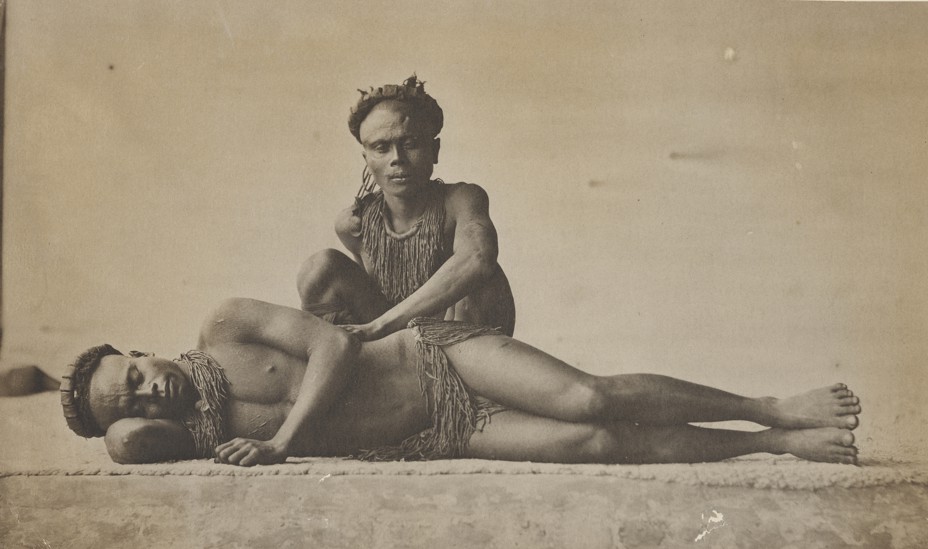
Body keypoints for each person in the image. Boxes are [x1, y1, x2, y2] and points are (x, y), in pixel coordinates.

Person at [61, 298, 861, 467]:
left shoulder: (224, 326)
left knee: (590, 396)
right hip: (433, 432)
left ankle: (768, 406)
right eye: (129, 401)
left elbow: (336, 344)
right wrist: (97, 410)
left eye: (134, 373)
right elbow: (127, 444)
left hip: (435, 358)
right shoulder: (190, 435)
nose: (146, 394)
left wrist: (281, 443)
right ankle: (775, 446)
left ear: (142, 344)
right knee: (595, 442)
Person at [297, 75, 515, 341]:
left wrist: (379, 326)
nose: (397, 159)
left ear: (434, 150)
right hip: (396, 343)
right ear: (367, 159)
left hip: (462, 346)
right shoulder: (355, 225)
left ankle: (459, 378)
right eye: (381, 148)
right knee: (320, 267)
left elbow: (479, 259)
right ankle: (344, 365)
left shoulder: (462, 199)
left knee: (479, 279)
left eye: (410, 144)